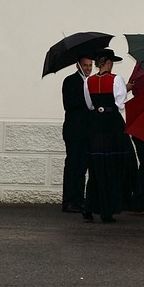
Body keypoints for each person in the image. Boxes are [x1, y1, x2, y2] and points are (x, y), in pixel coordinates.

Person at [82, 48, 138, 223]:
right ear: (108, 62)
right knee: (114, 165)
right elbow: (120, 104)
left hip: (95, 125)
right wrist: (126, 89)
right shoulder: (116, 79)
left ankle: (89, 207)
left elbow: (90, 105)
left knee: (97, 166)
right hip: (112, 125)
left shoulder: (88, 81)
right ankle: (108, 209)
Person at [61, 56, 93, 213]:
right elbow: (69, 104)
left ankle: (79, 199)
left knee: (82, 167)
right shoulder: (70, 81)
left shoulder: (90, 82)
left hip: (87, 131)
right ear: (78, 65)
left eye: (90, 65)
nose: (88, 68)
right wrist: (85, 96)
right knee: (72, 166)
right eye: (85, 65)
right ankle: (68, 201)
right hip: (74, 131)